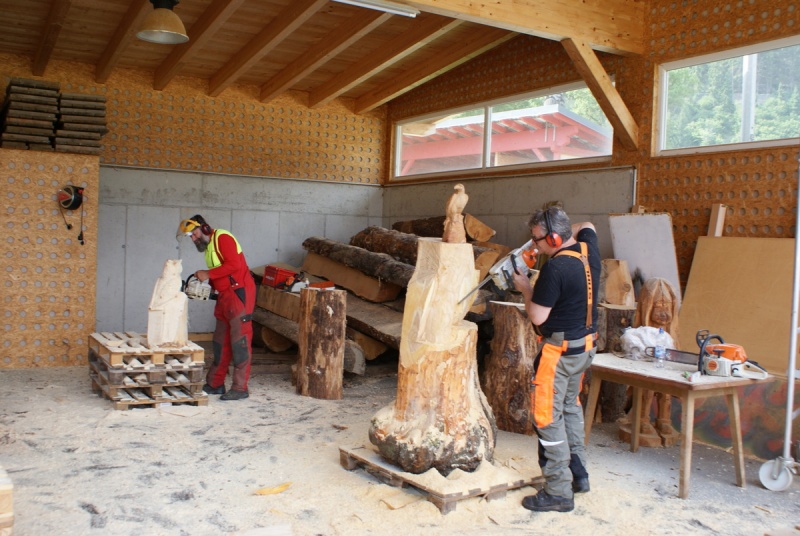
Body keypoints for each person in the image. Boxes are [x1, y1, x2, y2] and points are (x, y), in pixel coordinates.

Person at [511, 206, 600, 513]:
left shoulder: (555, 268)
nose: (534, 246)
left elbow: (537, 316)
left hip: (558, 354)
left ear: (553, 238)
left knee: (547, 418)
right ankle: (578, 475)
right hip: (584, 349)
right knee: (570, 408)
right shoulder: (588, 249)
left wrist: (525, 288)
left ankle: (558, 491)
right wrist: (539, 239)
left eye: (537, 239)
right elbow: (587, 223)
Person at [177, 214, 256, 401]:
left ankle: (240, 388)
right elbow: (220, 273)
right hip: (224, 297)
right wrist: (210, 286)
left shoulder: (223, 238)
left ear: (204, 228)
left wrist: (208, 274)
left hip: (239, 294)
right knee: (220, 341)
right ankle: (215, 383)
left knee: (240, 342)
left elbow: (234, 265)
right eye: (190, 237)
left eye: (194, 234)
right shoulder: (209, 248)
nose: (194, 239)